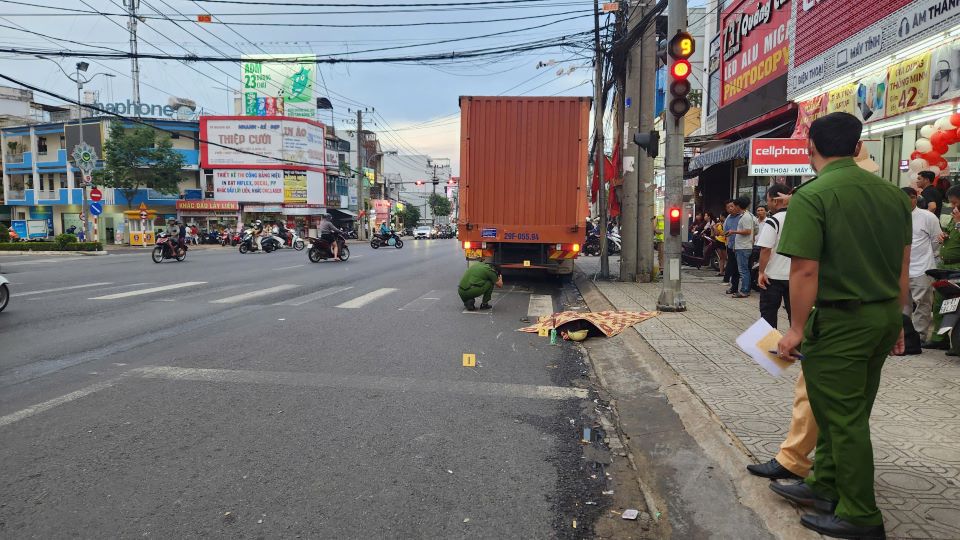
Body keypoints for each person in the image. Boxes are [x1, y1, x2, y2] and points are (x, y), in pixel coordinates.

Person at [774, 112, 911, 540]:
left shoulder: (813, 196)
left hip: (842, 320)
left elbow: (804, 272)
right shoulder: (893, 195)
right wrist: (901, 321)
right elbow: (903, 268)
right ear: (857, 147)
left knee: (845, 418)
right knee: (846, 409)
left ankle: (860, 514)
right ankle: (825, 484)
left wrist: (794, 329)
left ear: (808, 148)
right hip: (884, 315)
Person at [903, 187, 942, 342]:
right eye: (906, 197)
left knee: (923, 304)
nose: (910, 200)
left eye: (913, 197)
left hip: (922, 268)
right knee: (903, 305)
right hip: (900, 269)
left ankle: (919, 336)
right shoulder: (892, 217)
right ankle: (905, 335)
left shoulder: (927, 217)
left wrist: (927, 258)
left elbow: (936, 242)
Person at [925, 184, 960, 353]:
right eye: (951, 203)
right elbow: (950, 232)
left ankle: (957, 345)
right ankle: (940, 338)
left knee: (956, 307)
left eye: (955, 203)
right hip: (945, 267)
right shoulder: (955, 216)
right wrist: (943, 235)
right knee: (940, 304)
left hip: (958, 267)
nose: (953, 207)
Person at [756, 185, 792, 328]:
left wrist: (761, 272)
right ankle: (797, 348)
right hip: (796, 276)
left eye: (768, 200)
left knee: (768, 315)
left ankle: (770, 348)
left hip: (772, 277)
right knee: (796, 317)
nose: (768, 204)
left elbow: (765, 249)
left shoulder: (773, 220)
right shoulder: (803, 218)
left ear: (776, 201)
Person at [727, 196, 757, 298]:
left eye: (734, 206)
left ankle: (745, 290)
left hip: (744, 247)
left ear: (738, 206)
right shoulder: (743, 216)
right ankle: (744, 289)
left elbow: (748, 231)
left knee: (743, 270)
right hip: (741, 246)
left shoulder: (746, 217)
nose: (733, 208)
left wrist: (733, 231)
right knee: (743, 270)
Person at [714, 210, 728, 277]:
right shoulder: (718, 224)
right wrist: (714, 227)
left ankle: (725, 271)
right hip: (719, 241)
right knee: (721, 258)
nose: (720, 217)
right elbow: (716, 233)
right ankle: (721, 271)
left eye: (720, 216)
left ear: (722, 216)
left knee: (725, 258)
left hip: (725, 242)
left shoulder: (728, 223)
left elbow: (723, 233)